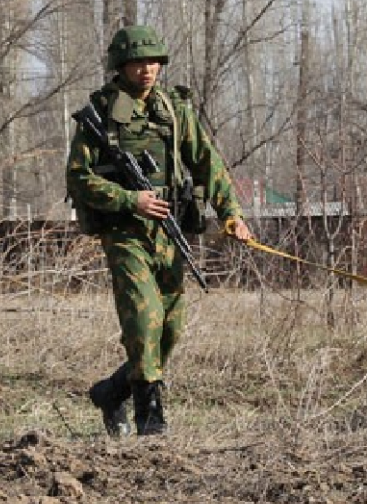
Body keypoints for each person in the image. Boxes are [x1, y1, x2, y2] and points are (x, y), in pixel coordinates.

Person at [67, 24, 254, 436]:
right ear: (122, 66)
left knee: (170, 325)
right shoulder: (101, 113)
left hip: (169, 230)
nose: (148, 69)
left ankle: (114, 391)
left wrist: (231, 214)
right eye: (139, 62)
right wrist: (131, 199)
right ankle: (150, 415)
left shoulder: (173, 109)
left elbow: (208, 162)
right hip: (125, 231)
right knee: (144, 316)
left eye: (153, 62)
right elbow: (79, 177)